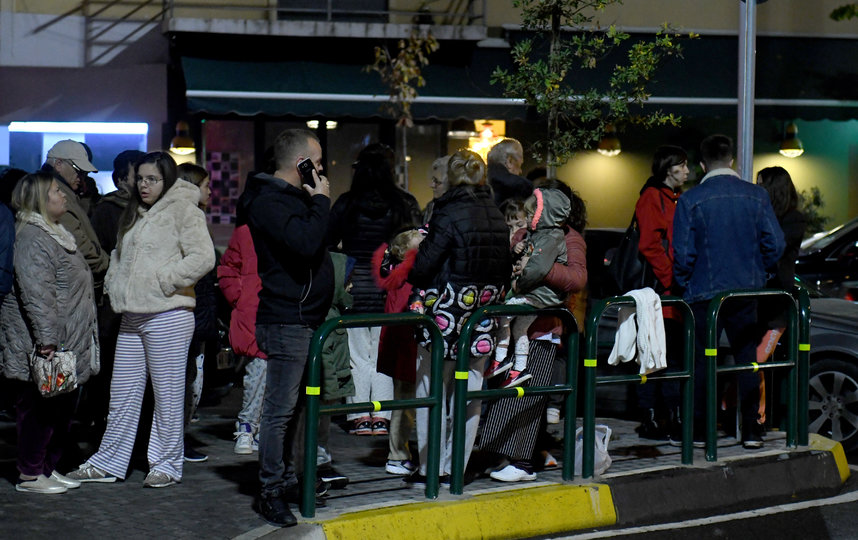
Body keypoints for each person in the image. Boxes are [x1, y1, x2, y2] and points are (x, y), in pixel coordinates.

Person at [66, 151, 215, 487]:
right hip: (133, 314)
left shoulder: (182, 211)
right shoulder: (136, 212)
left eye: (153, 179)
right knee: (122, 394)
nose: (144, 185)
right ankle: (108, 461)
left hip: (169, 313)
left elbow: (203, 257)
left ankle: (166, 465)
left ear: (167, 180)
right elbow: (119, 255)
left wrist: (165, 280)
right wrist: (118, 285)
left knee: (168, 395)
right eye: (141, 178)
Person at [241, 128, 332, 527]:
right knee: (279, 411)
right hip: (286, 318)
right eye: (318, 163)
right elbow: (306, 243)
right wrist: (322, 201)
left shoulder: (292, 200)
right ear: (301, 165)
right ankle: (271, 490)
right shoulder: (269, 202)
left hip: (305, 317)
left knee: (298, 409)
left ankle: (291, 478)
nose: (323, 171)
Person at [673, 134, 785, 449]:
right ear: (732, 160)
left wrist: (684, 282)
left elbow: (682, 254)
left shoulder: (691, 199)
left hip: (702, 293)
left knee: (700, 362)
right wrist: (760, 273)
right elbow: (775, 244)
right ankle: (751, 429)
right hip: (747, 291)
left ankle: (698, 431)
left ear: (702, 164)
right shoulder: (757, 196)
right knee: (746, 358)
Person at [406, 149, 511, 485]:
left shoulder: (447, 212)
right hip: (482, 312)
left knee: (430, 388)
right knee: (470, 391)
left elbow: (424, 266)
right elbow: (505, 268)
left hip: (446, 312)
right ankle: (457, 466)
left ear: (451, 178)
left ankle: (430, 465)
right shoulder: (495, 213)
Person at [478, 179, 588, 482]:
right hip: (516, 323)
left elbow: (576, 278)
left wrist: (536, 266)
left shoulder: (570, 239)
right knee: (506, 395)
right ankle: (505, 456)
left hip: (544, 327)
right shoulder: (528, 234)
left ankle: (523, 462)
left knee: (528, 396)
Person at [0, 172, 99, 494]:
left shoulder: (55, 232)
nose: (64, 196)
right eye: (57, 191)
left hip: (64, 340)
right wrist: (47, 340)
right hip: (44, 344)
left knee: (58, 409)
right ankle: (30, 474)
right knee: (37, 409)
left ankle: (45, 467)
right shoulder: (32, 236)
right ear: (40, 199)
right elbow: (37, 294)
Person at [326, 143, 421, 436]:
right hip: (388, 287)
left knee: (357, 354)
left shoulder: (346, 203)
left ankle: (358, 416)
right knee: (382, 353)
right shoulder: (402, 203)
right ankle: (381, 415)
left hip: (353, 286)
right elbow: (415, 243)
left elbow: (327, 241)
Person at [85, 149, 145, 442]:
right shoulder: (108, 210)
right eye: (139, 176)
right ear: (122, 179)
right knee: (110, 374)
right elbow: (99, 257)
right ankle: (107, 434)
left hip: (143, 303)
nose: (145, 183)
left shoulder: (151, 208)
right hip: (113, 306)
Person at [488, 188, 571, 389]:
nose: (531, 217)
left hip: (537, 294)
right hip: (536, 293)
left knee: (503, 317)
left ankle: (500, 358)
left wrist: (519, 284)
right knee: (519, 327)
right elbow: (532, 259)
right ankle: (519, 367)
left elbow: (538, 268)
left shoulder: (551, 236)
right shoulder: (542, 234)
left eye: (534, 212)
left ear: (547, 213)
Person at [633, 145, 689, 442]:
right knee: (656, 357)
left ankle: (668, 417)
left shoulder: (673, 199)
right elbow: (649, 245)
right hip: (658, 293)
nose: (687, 171)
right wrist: (672, 277)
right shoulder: (653, 197)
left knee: (670, 358)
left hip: (670, 293)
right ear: (669, 168)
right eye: (683, 165)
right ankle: (654, 419)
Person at [755, 166, 807, 424]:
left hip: (777, 303)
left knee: (757, 359)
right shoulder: (763, 215)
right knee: (751, 361)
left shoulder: (792, 219)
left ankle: (758, 417)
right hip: (756, 298)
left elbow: (775, 251)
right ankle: (751, 414)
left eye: (760, 183)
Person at [371, 228, 425, 476]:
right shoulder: (406, 277)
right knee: (405, 405)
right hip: (406, 347)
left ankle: (400, 453)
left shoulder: (396, 274)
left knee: (405, 404)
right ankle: (397, 455)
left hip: (401, 347)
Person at [176, 162, 216, 463]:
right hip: (188, 311)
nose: (211, 191)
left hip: (195, 311)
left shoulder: (193, 218)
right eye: (206, 185)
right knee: (185, 379)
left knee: (190, 378)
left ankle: (177, 438)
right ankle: (175, 441)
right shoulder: (187, 220)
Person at [41, 140, 109, 283]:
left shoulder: (63, 192)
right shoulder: (54, 196)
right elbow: (79, 246)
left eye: (84, 173)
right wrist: (106, 264)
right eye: (78, 170)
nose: (82, 177)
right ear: (58, 164)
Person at [487, 138, 532, 207]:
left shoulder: (477, 182)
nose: (520, 171)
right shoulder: (521, 187)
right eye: (520, 165)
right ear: (510, 161)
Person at [422, 155, 451, 224]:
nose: (431, 185)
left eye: (436, 181)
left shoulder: (459, 211)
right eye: (432, 180)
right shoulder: (431, 207)